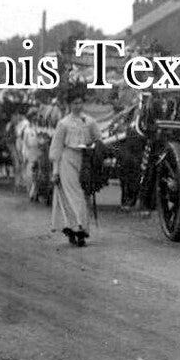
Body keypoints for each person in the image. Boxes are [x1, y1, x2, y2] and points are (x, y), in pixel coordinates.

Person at [48, 83, 101, 247]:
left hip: (84, 160)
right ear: (69, 105)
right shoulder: (63, 123)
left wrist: (94, 151)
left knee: (83, 194)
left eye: (80, 102)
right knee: (73, 194)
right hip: (67, 159)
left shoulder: (90, 121)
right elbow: (56, 147)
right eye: (74, 103)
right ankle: (78, 227)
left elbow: (98, 140)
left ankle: (77, 227)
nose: (78, 106)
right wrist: (55, 170)